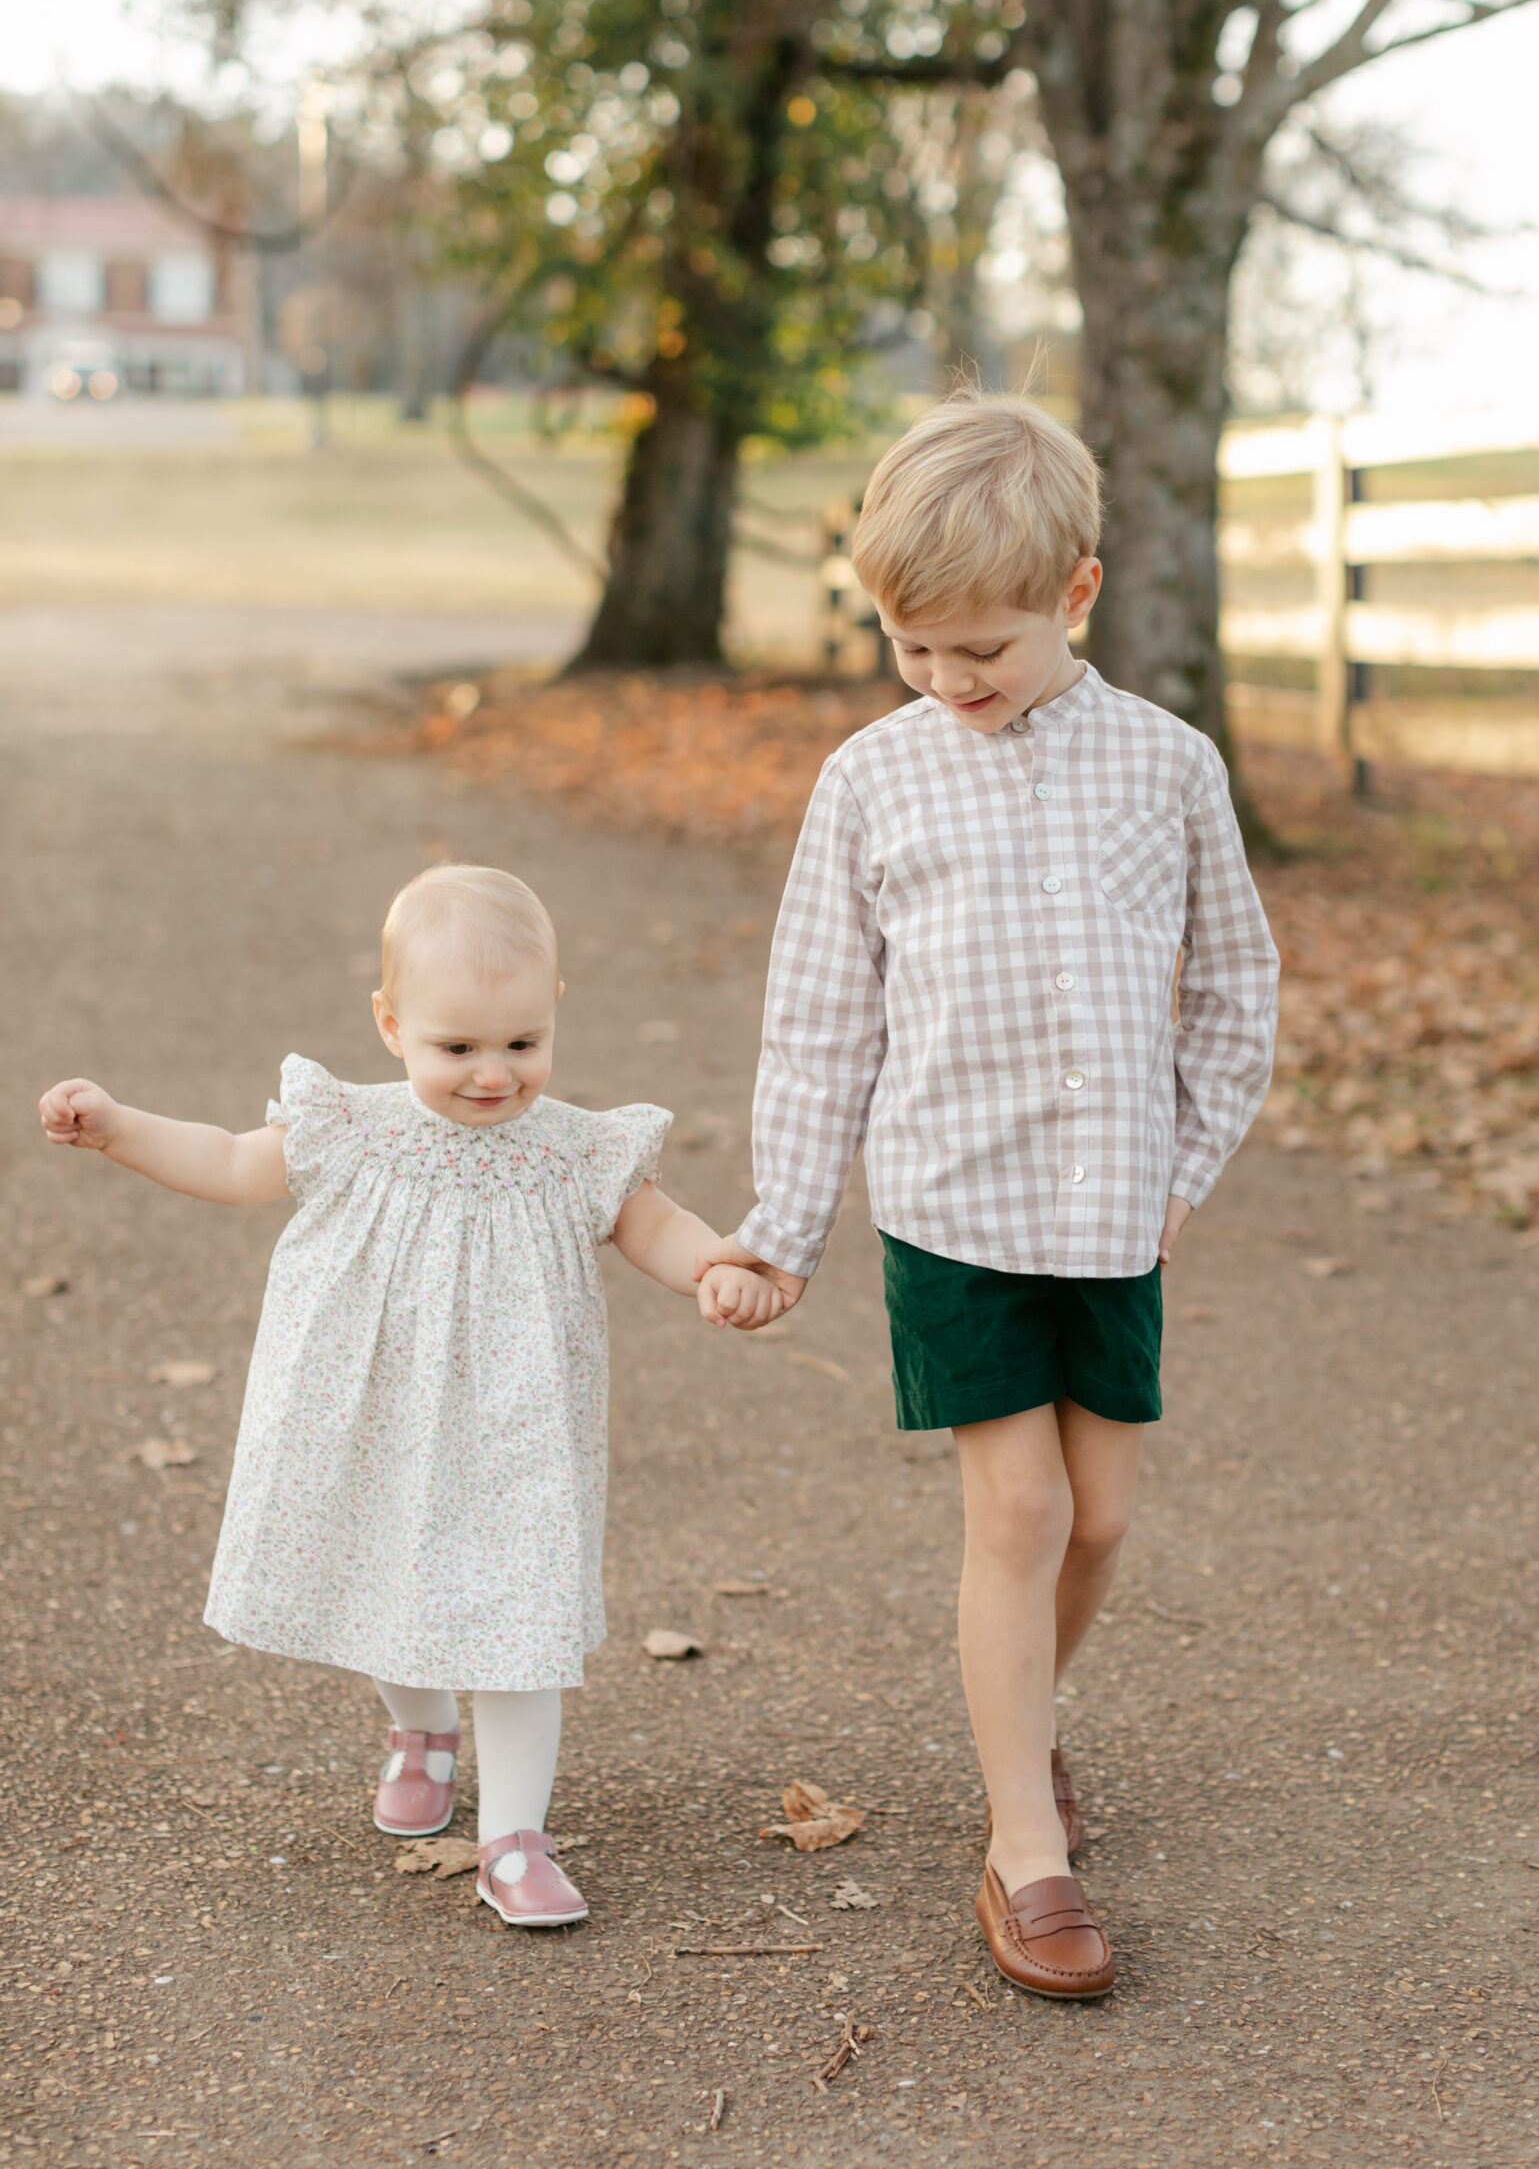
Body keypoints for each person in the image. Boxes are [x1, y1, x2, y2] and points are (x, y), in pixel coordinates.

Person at [699, 396, 1279, 1997]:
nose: (948, 685)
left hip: (1109, 1217)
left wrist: (1185, 1163)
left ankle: (1014, 1727)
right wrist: (785, 1224)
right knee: (1014, 1512)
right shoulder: (870, 785)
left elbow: (1235, 984)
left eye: (984, 652)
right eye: (911, 651)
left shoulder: (1165, 767)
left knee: (1098, 1519)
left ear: (1075, 598)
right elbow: (822, 1024)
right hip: (948, 1210)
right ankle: (1024, 1843)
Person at [38, 863, 779, 1930]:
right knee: (391, 1581)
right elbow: (234, 1159)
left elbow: (651, 1223)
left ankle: (514, 1837)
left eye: (521, 1043)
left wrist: (719, 1264)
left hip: (521, 1431)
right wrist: (119, 1127)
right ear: (392, 1025)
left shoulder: (575, 1148)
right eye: (458, 1046)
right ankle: (422, 1727)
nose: (493, 1073)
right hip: (383, 1418)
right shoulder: (353, 1129)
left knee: (520, 1617)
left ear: (553, 1013)